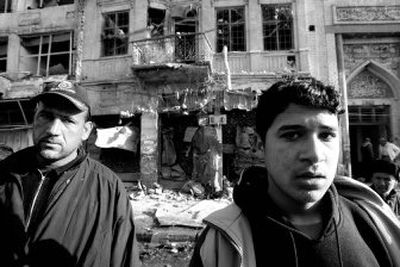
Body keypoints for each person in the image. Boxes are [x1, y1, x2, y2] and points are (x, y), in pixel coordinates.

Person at [190, 78, 400, 267]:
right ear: (259, 145)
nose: (315, 154)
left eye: (326, 135)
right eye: (292, 135)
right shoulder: (223, 241)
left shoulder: (374, 222)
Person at [0, 81, 140, 266]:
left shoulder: (108, 188)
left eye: (68, 120)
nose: (53, 130)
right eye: (46, 116)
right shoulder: (4, 174)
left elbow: (124, 259)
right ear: (34, 118)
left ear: (86, 130)